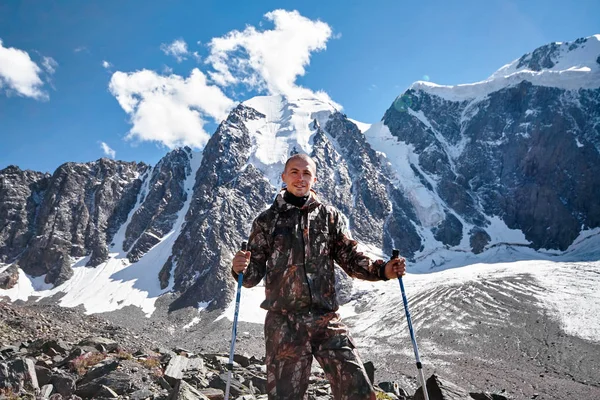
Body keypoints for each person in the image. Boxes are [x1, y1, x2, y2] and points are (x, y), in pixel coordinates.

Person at [231, 153, 406, 400]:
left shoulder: (329, 217)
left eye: (306, 173)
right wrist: (240, 268)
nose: (300, 178)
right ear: (283, 177)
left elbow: (350, 257)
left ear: (315, 179)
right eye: (294, 172)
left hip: (325, 318)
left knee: (357, 387)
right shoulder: (266, 221)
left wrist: (383, 270)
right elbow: (251, 275)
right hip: (284, 323)